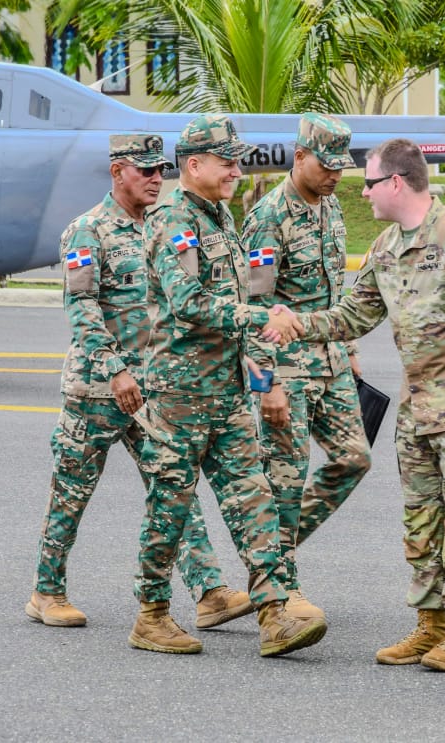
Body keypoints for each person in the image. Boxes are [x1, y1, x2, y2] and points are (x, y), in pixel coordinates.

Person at [269, 138, 445, 672]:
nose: (360, 192)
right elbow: (350, 317)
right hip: (417, 417)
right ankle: (430, 627)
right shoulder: (387, 246)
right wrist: (295, 323)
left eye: (367, 182)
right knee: (421, 524)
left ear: (394, 182)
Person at [26, 133, 252, 630]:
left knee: (173, 485)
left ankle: (209, 590)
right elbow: (81, 308)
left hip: (153, 389)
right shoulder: (88, 231)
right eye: (144, 170)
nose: (155, 179)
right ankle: (47, 590)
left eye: (159, 171)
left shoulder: (164, 226)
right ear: (117, 172)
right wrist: (116, 369)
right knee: (72, 491)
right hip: (97, 389)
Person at [130, 114, 323, 656]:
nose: (238, 170)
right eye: (227, 161)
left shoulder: (217, 216)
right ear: (194, 164)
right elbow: (186, 302)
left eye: (239, 160)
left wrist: (262, 374)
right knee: (169, 507)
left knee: (254, 499)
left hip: (228, 392)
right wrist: (251, 315)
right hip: (182, 394)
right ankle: (151, 614)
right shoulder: (174, 218)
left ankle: (273, 614)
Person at [240, 112, 372, 620]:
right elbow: (253, 308)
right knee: (285, 480)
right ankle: (281, 587)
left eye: (342, 166)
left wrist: (351, 346)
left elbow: (335, 288)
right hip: (285, 372)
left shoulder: (331, 206)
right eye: (327, 164)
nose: (336, 174)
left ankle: (268, 557)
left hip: (332, 360)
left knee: (354, 459)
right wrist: (264, 384)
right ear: (299, 157)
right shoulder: (268, 216)